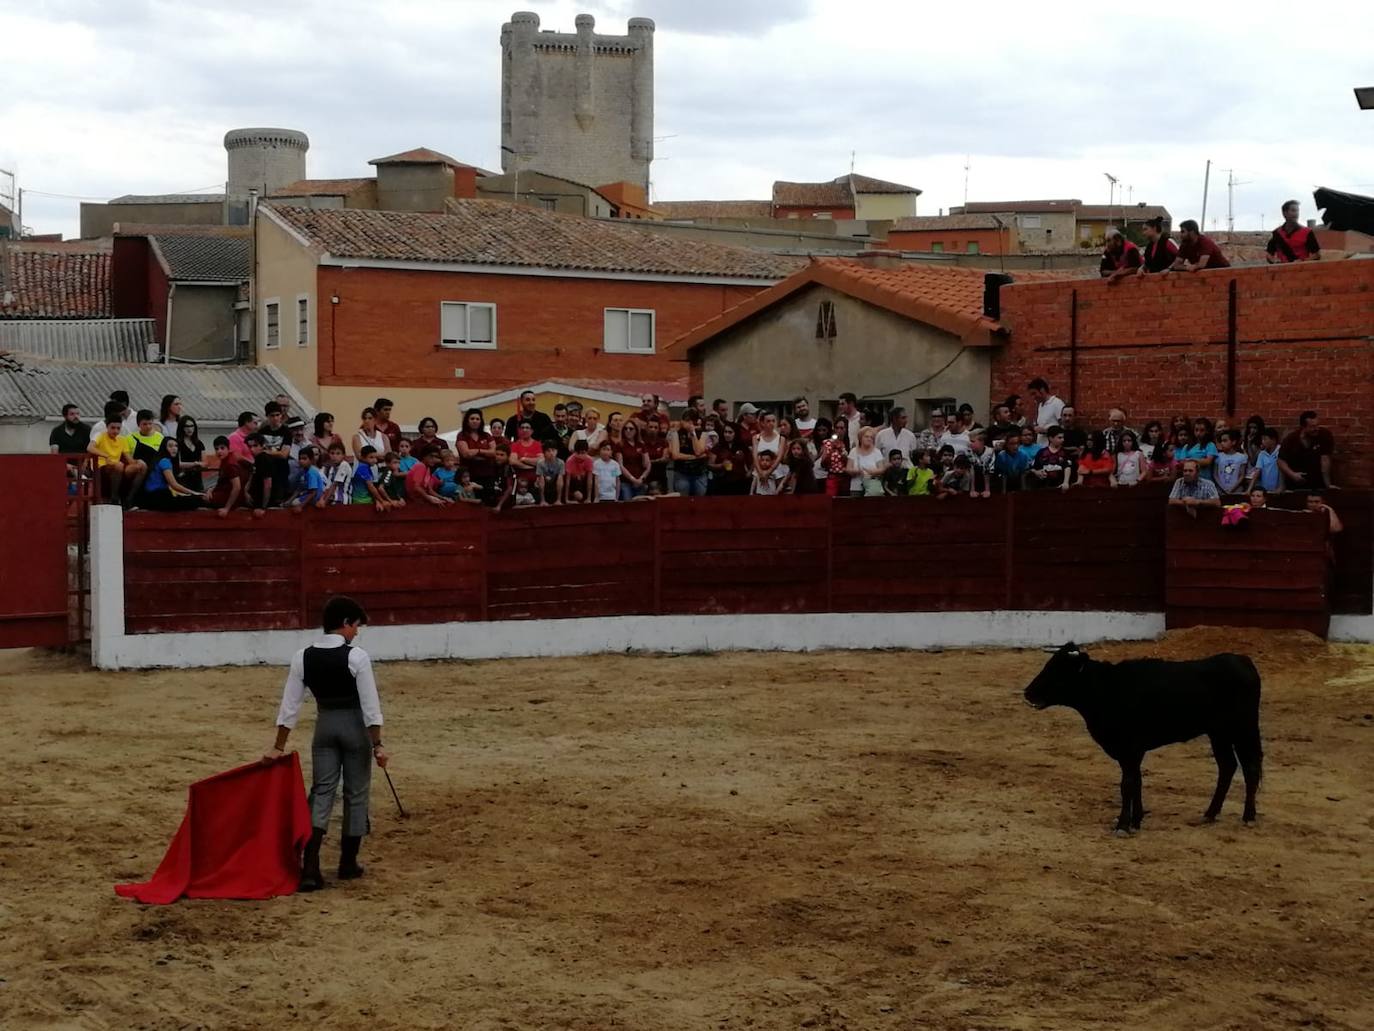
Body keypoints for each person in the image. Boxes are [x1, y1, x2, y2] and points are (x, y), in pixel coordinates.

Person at [263, 595, 389, 892]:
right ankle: (347, 863)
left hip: (324, 728)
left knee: (321, 792)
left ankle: (310, 867)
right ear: (345, 623)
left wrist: (278, 747)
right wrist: (378, 745)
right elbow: (371, 707)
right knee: (355, 793)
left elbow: (289, 707)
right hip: (354, 729)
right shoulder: (356, 657)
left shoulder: (302, 657)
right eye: (355, 626)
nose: (356, 632)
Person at [140, 438, 205, 511]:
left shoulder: (160, 459)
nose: (174, 448)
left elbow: (178, 465)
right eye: (170, 446)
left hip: (151, 496)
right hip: (158, 496)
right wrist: (194, 493)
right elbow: (174, 485)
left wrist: (194, 464)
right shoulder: (165, 461)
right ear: (164, 448)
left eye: (176, 446)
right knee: (196, 500)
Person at [1278, 410, 1335, 490]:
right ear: (1303, 427)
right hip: (1295, 484)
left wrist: (1328, 484)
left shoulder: (1324, 436)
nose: (1316, 429)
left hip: (1317, 484)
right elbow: (1281, 461)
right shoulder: (1291, 439)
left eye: (1317, 425)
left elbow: (1325, 461)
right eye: (1312, 426)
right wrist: (1292, 474)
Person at [88, 415, 138, 505]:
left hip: (117, 467)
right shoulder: (100, 435)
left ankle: (130, 498)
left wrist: (137, 464)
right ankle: (114, 497)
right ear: (107, 427)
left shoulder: (122, 440)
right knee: (119, 465)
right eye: (113, 428)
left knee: (141, 465)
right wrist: (105, 456)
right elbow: (90, 448)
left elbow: (129, 459)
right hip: (100, 467)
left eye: (118, 428)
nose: (115, 431)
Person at [207, 435, 252, 516]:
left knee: (200, 498)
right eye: (216, 449)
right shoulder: (228, 458)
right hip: (226, 493)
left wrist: (226, 509)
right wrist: (211, 489)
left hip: (229, 498)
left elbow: (237, 487)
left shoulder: (230, 465)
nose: (219, 451)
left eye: (222, 448)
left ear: (228, 448)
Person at [258, 403, 292, 507]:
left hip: (280, 470)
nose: (275, 418)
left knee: (277, 501)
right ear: (267, 416)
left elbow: (284, 454)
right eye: (272, 415)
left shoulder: (286, 432)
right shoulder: (262, 431)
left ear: (281, 415)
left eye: (278, 415)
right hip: (265, 469)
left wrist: (266, 452)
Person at [1266, 200, 1321, 264]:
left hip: (1301, 271)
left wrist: (1303, 262)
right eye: (1293, 210)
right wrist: (1274, 261)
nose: (1296, 213)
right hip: (1282, 272)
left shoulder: (1307, 232)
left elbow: (1317, 255)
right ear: (1284, 213)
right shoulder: (1277, 233)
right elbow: (1269, 254)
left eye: (1297, 211)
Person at [456, 409, 497, 491]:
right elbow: (466, 454)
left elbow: (494, 453)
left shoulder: (487, 435)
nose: (475, 421)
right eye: (472, 419)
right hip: (469, 475)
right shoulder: (462, 436)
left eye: (477, 419)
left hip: (488, 474)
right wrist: (486, 453)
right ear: (467, 421)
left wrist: (478, 451)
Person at [670, 413, 709, 497]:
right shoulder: (676, 433)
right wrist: (694, 457)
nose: (690, 424)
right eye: (687, 421)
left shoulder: (703, 434)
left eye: (692, 422)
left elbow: (698, 451)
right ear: (682, 421)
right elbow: (675, 455)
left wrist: (693, 433)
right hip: (682, 473)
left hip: (699, 474)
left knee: (700, 502)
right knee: (683, 501)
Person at [708, 422, 752, 496]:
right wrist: (721, 465)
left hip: (740, 483)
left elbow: (752, 461)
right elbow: (709, 465)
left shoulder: (743, 446)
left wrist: (749, 472)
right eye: (725, 432)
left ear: (735, 433)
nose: (727, 435)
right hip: (722, 483)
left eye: (730, 432)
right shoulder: (718, 447)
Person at [846, 426, 887, 497]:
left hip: (872, 487)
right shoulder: (853, 451)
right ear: (860, 438)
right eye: (866, 436)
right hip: (856, 487)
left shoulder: (877, 452)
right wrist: (857, 471)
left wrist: (872, 472)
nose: (869, 439)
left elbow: (882, 469)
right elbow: (848, 468)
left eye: (871, 437)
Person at [507, 420, 543, 496]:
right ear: (519, 430)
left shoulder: (537, 444)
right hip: (520, 479)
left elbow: (541, 461)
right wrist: (530, 466)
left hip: (536, 479)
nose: (524, 430)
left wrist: (524, 459)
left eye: (527, 428)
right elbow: (513, 461)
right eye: (522, 428)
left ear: (532, 431)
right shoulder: (515, 445)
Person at [616, 420, 649, 500]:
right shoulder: (620, 445)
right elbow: (620, 465)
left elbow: (647, 465)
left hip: (640, 481)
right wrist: (633, 479)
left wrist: (642, 478)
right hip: (626, 482)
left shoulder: (641, 444)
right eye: (625, 428)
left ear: (636, 431)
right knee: (628, 505)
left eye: (631, 429)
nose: (628, 431)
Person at [1027, 379, 1065, 445]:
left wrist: (1045, 431)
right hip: (1041, 449)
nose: (1033, 397)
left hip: (1053, 449)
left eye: (1034, 393)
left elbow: (1063, 427)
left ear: (1042, 390)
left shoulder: (1057, 403)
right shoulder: (1040, 406)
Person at [1247, 427, 1283, 494]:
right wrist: (1249, 489)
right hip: (1265, 490)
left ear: (1273, 440)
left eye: (1265, 439)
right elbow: (1257, 471)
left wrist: (1281, 487)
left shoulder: (1281, 451)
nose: (1263, 442)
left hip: (1278, 489)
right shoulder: (1262, 454)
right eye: (1262, 439)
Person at [1214, 430, 1249, 495]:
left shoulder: (1241, 457)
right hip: (1220, 491)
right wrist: (1223, 488)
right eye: (1221, 441)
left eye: (1225, 441)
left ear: (1233, 442)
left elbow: (1242, 475)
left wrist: (1232, 489)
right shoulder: (1218, 456)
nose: (1222, 443)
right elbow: (1215, 474)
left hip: (1236, 491)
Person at [564, 439, 595, 503]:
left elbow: (590, 480)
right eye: (578, 453)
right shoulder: (570, 461)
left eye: (583, 453)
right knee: (578, 495)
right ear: (574, 452)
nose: (580, 456)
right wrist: (566, 499)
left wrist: (589, 498)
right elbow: (567, 481)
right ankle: (571, 498)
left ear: (587, 452)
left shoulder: (589, 460)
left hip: (583, 483)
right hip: (573, 485)